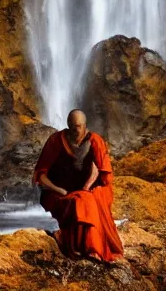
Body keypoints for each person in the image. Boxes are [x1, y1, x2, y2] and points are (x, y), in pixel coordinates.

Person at [33, 109, 124, 262]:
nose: (76, 130)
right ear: (68, 125)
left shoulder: (95, 141)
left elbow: (102, 171)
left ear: (85, 125)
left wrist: (88, 186)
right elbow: (40, 175)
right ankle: (89, 248)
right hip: (57, 192)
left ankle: (87, 247)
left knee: (87, 200)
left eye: (79, 126)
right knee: (83, 201)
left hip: (85, 190)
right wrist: (59, 190)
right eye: (73, 126)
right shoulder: (55, 140)